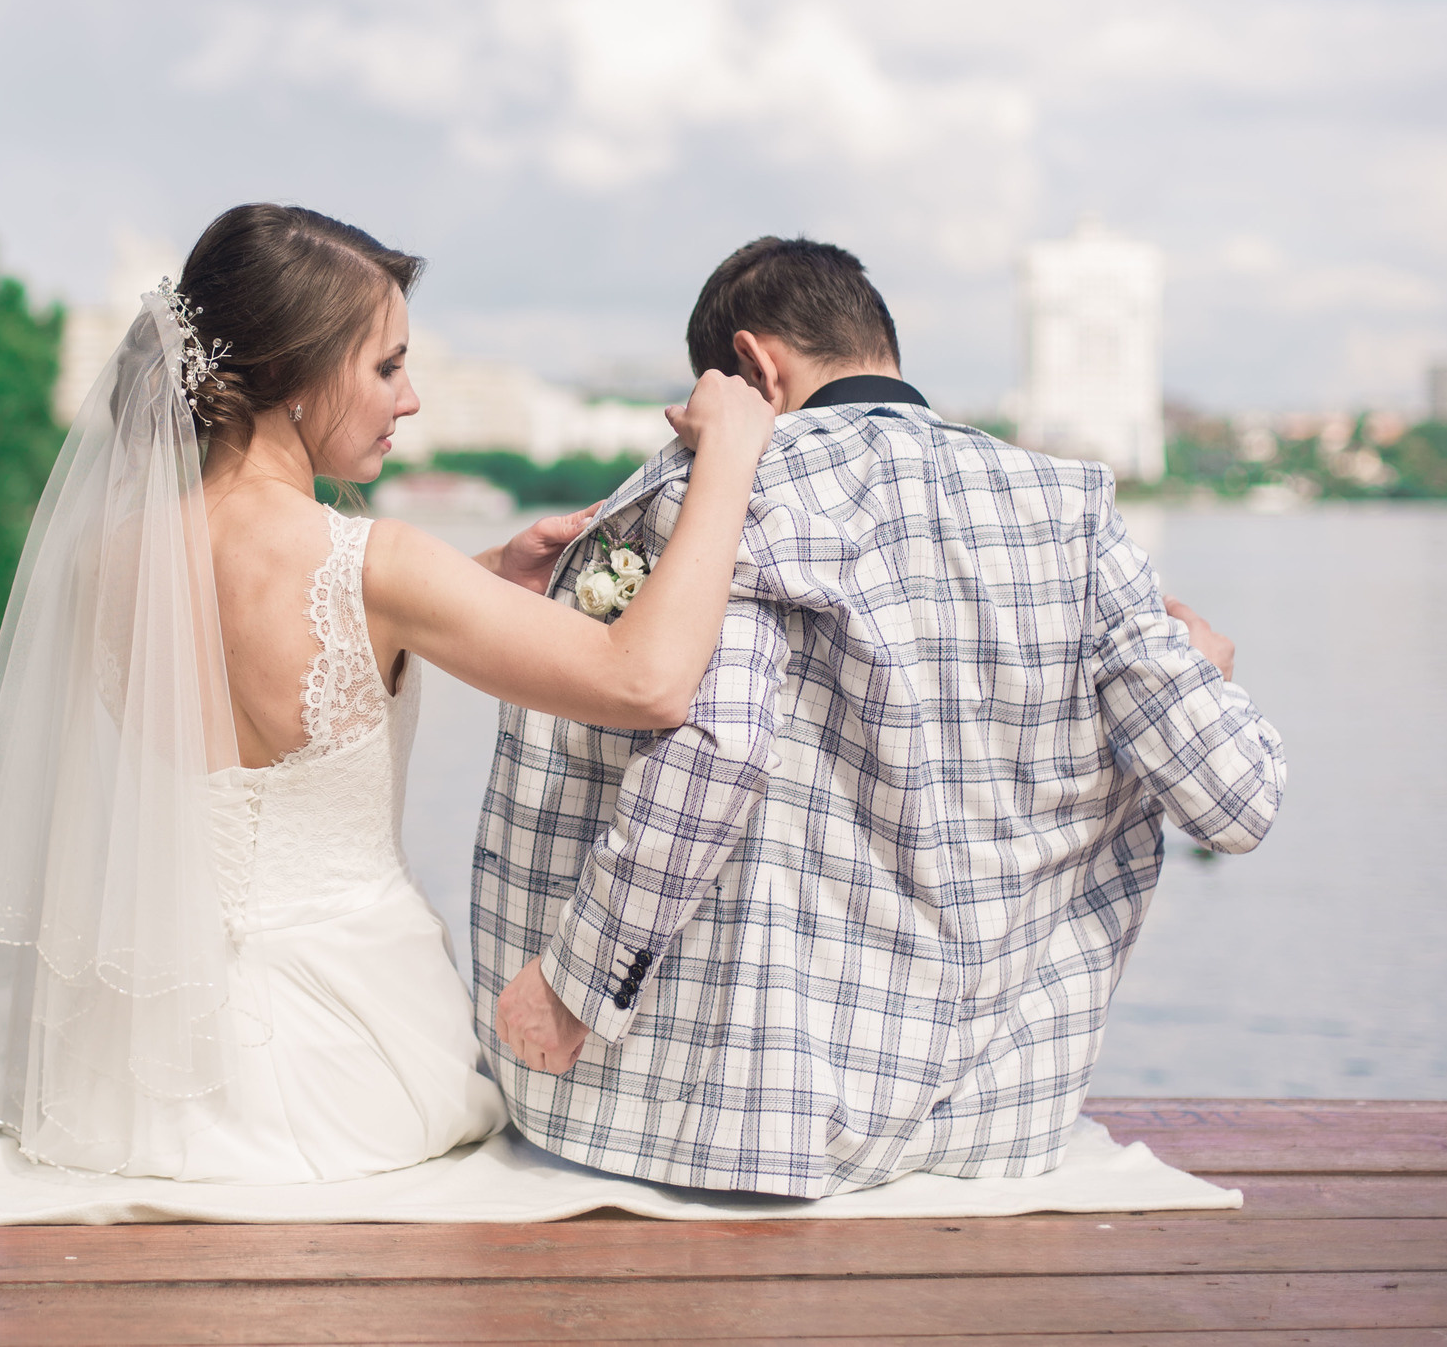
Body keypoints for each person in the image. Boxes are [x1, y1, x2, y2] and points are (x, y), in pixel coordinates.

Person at [0, 203, 777, 1182]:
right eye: (387, 365)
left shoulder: (107, 559)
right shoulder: (380, 567)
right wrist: (732, 454)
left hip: (132, 1065)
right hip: (346, 1061)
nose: (408, 401)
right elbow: (646, 679)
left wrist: (474, 574)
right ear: (299, 376)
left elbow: (239, 645)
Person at [474, 236, 1287, 1198]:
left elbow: (718, 739)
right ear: (879, 344)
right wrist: (1200, 668)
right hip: (998, 1125)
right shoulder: (1071, 506)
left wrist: (578, 979)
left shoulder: (732, 487)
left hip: (744, 1122)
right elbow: (1237, 801)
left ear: (752, 368)